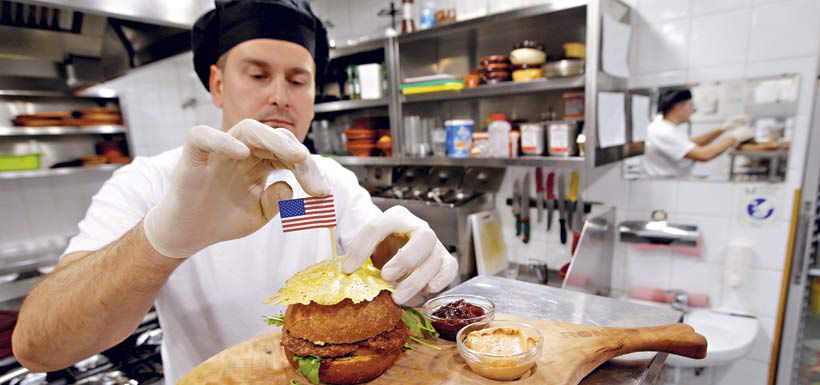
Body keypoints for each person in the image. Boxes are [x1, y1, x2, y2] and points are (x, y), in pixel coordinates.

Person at [11, 1, 457, 383]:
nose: (281, 96)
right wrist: (161, 241)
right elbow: (37, 348)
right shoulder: (147, 182)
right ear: (219, 84)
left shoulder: (328, 180)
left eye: (298, 80)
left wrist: (408, 254)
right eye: (258, 75)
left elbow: (383, 269)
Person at [642, 88, 755, 178]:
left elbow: (694, 142)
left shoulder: (667, 127)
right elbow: (703, 155)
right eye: (690, 105)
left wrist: (723, 128)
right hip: (665, 187)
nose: (692, 110)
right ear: (677, 108)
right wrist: (735, 137)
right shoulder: (662, 131)